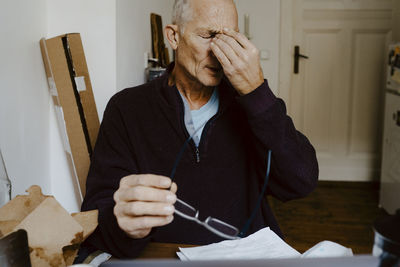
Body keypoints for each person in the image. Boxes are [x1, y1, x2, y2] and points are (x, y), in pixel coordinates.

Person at [77, 0, 319, 260]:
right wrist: (125, 224)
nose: (219, 52)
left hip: (244, 256)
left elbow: (300, 181)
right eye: (208, 35)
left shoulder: (252, 106)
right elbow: (99, 210)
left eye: (230, 38)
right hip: (162, 256)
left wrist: (258, 93)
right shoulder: (127, 108)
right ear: (174, 36)